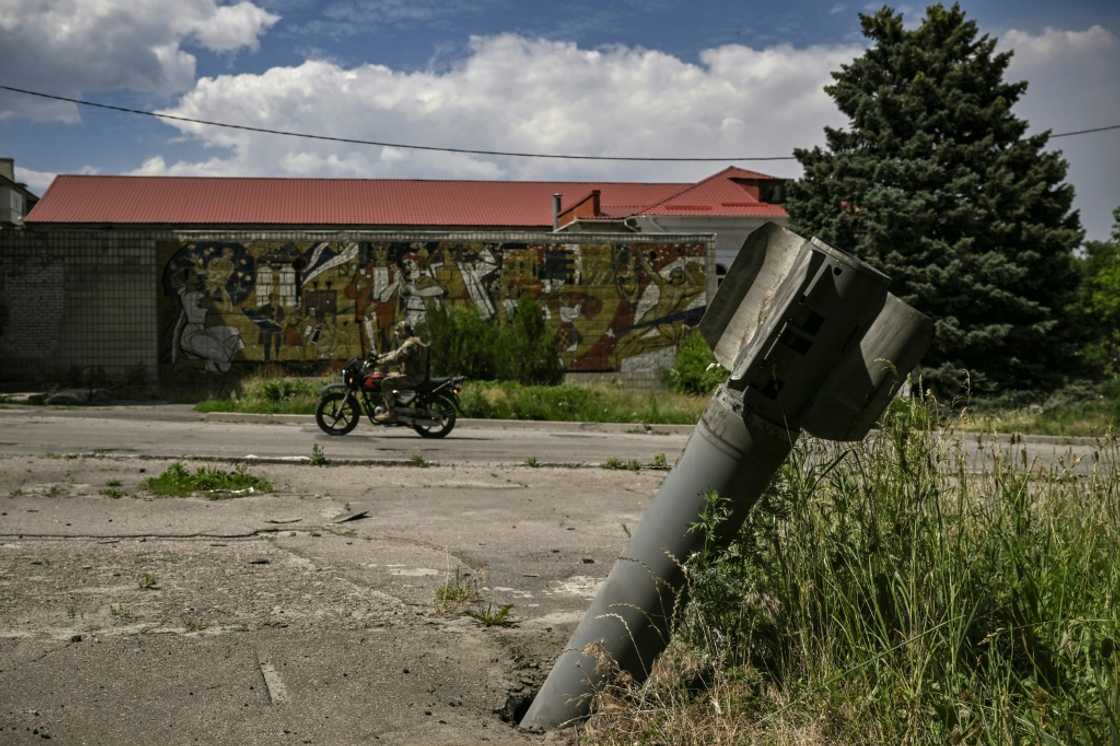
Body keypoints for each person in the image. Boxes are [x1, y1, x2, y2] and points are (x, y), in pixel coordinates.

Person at [372, 320, 428, 423]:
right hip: (414, 374)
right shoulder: (413, 341)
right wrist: (380, 356)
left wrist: (378, 363)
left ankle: (391, 412)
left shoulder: (410, 344)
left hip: (412, 377)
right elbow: (396, 353)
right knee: (384, 375)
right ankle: (395, 403)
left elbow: (397, 358)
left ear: (404, 332)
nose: (397, 334)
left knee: (385, 382)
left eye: (398, 331)